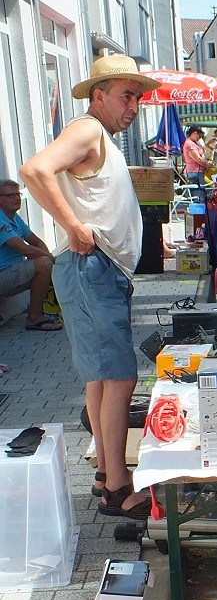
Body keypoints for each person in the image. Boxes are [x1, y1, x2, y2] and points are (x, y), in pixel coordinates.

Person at [19, 53, 161, 518]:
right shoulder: (87, 130)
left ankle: (105, 475)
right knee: (121, 377)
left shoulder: (99, 137)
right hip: (90, 268)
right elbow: (34, 170)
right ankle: (120, 487)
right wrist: (74, 228)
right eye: (126, 95)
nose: (134, 105)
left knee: (102, 379)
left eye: (137, 97)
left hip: (97, 270)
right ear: (98, 96)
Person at [0, 179, 63, 331]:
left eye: (18, 194)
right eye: (10, 195)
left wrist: (44, 258)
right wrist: (51, 259)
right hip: (3, 277)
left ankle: (46, 311)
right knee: (44, 264)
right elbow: (25, 249)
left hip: (11, 274)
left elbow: (36, 242)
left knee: (45, 264)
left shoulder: (14, 217)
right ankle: (34, 317)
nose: (16, 198)